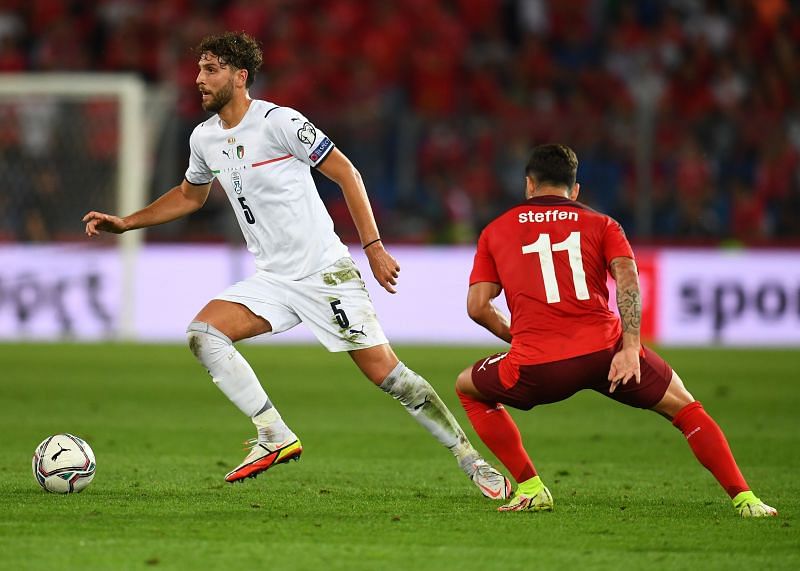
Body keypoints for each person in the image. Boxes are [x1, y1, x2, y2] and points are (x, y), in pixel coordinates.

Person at [82, 31, 509, 499]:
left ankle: (469, 458)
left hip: (325, 274)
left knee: (389, 377)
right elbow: (190, 195)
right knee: (203, 334)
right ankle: (273, 434)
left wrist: (374, 247)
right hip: (274, 279)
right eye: (199, 69)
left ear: (240, 76)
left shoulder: (280, 123)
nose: (198, 79)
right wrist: (127, 222)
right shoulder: (204, 138)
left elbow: (346, 172)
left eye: (210, 69)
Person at [455, 143, 777, 517]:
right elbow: (627, 281)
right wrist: (631, 346)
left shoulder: (495, 230)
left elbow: (477, 307)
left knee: (468, 387)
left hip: (536, 366)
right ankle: (746, 500)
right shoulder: (603, 224)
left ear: (528, 185)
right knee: (686, 408)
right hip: (607, 355)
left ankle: (530, 487)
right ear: (574, 190)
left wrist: (518, 338)